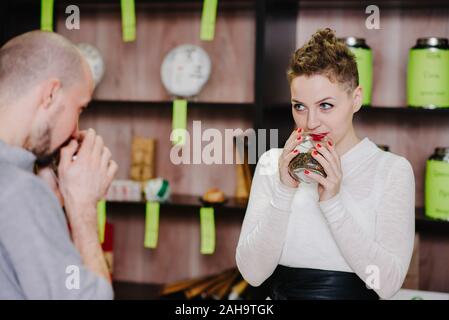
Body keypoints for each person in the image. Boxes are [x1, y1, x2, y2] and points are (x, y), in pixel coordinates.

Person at [236, 28, 415, 300]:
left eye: (326, 106)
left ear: (356, 99)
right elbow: (252, 273)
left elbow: (387, 283)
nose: (310, 123)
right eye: (299, 106)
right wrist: (284, 189)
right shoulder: (272, 164)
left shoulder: (392, 171)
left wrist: (332, 203)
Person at [0, 31, 118, 299]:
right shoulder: (21, 192)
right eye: (79, 109)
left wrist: (48, 201)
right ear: (51, 94)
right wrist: (83, 211)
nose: (76, 131)